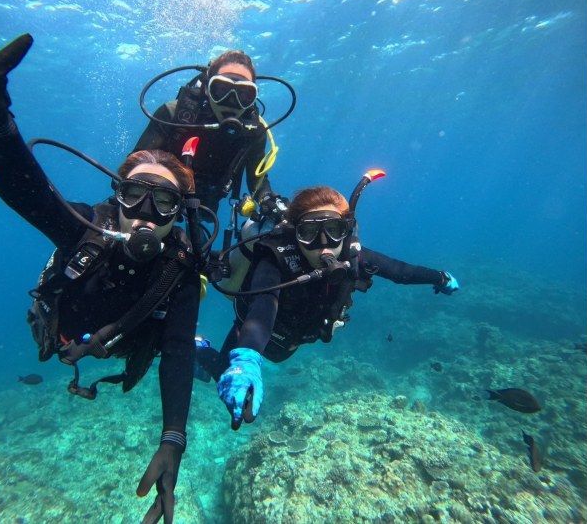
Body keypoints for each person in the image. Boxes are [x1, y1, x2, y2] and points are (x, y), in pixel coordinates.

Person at [0, 0, 199, 524]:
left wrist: (174, 440)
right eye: (135, 194)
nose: (146, 213)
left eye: (163, 203)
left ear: (178, 214)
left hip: (123, 347)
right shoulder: (85, 226)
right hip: (64, 332)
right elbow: (24, 193)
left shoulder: (181, 266)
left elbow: (178, 348)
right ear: (116, 195)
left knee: (194, 347)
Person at [196, 180, 460, 429]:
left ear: (346, 231)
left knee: (260, 368)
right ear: (295, 234)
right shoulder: (275, 257)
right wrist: (247, 357)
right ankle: (199, 347)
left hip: (292, 342)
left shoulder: (353, 255)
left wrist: (439, 277)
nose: (324, 246)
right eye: (310, 232)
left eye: (333, 231)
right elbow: (264, 306)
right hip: (251, 335)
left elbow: (401, 272)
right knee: (225, 378)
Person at [133, 50, 279, 217]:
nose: (232, 101)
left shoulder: (254, 131)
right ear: (208, 88)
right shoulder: (173, 114)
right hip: (160, 198)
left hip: (209, 202)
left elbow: (257, 179)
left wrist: (269, 200)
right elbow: (136, 164)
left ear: (253, 98)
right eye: (222, 89)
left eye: (244, 94)